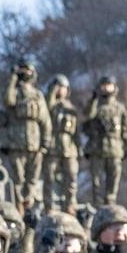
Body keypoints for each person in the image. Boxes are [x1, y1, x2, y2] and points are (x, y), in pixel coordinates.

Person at [1, 57, 52, 214]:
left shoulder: (37, 95)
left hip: (35, 143)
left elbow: (45, 120)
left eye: (28, 70)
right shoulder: (14, 91)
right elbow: (7, 100)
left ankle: (29, 206)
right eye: (22, 70)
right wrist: (13, 78)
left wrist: (45, 142)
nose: (26, 73)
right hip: (16, 143)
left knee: (33, 178)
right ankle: (19, 208)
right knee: (18, 178)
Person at [83, 75, 127, 205]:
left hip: (115, 148)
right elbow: (87, 116)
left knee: (113, 179)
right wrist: (93, 100)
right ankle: (98, 204)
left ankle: (110, 202)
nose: (106, 88)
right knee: (96, 181)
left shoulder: (119, 107)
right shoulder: (95, 105)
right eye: (103, 85)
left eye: (108, 85)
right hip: (97, 148)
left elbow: (126, 128)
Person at [45, 74, 81, 214]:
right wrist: (52, 93)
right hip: (53, 145)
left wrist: (79, 146)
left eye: (64, 87)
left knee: (72, 176)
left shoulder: (70, 107)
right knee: (49, 177)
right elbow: (47, 111)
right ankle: (49, 206)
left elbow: (76, 130)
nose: (62, 90)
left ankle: (70, 205)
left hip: (69, 146)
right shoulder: (49, 104)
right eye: (59, 87)